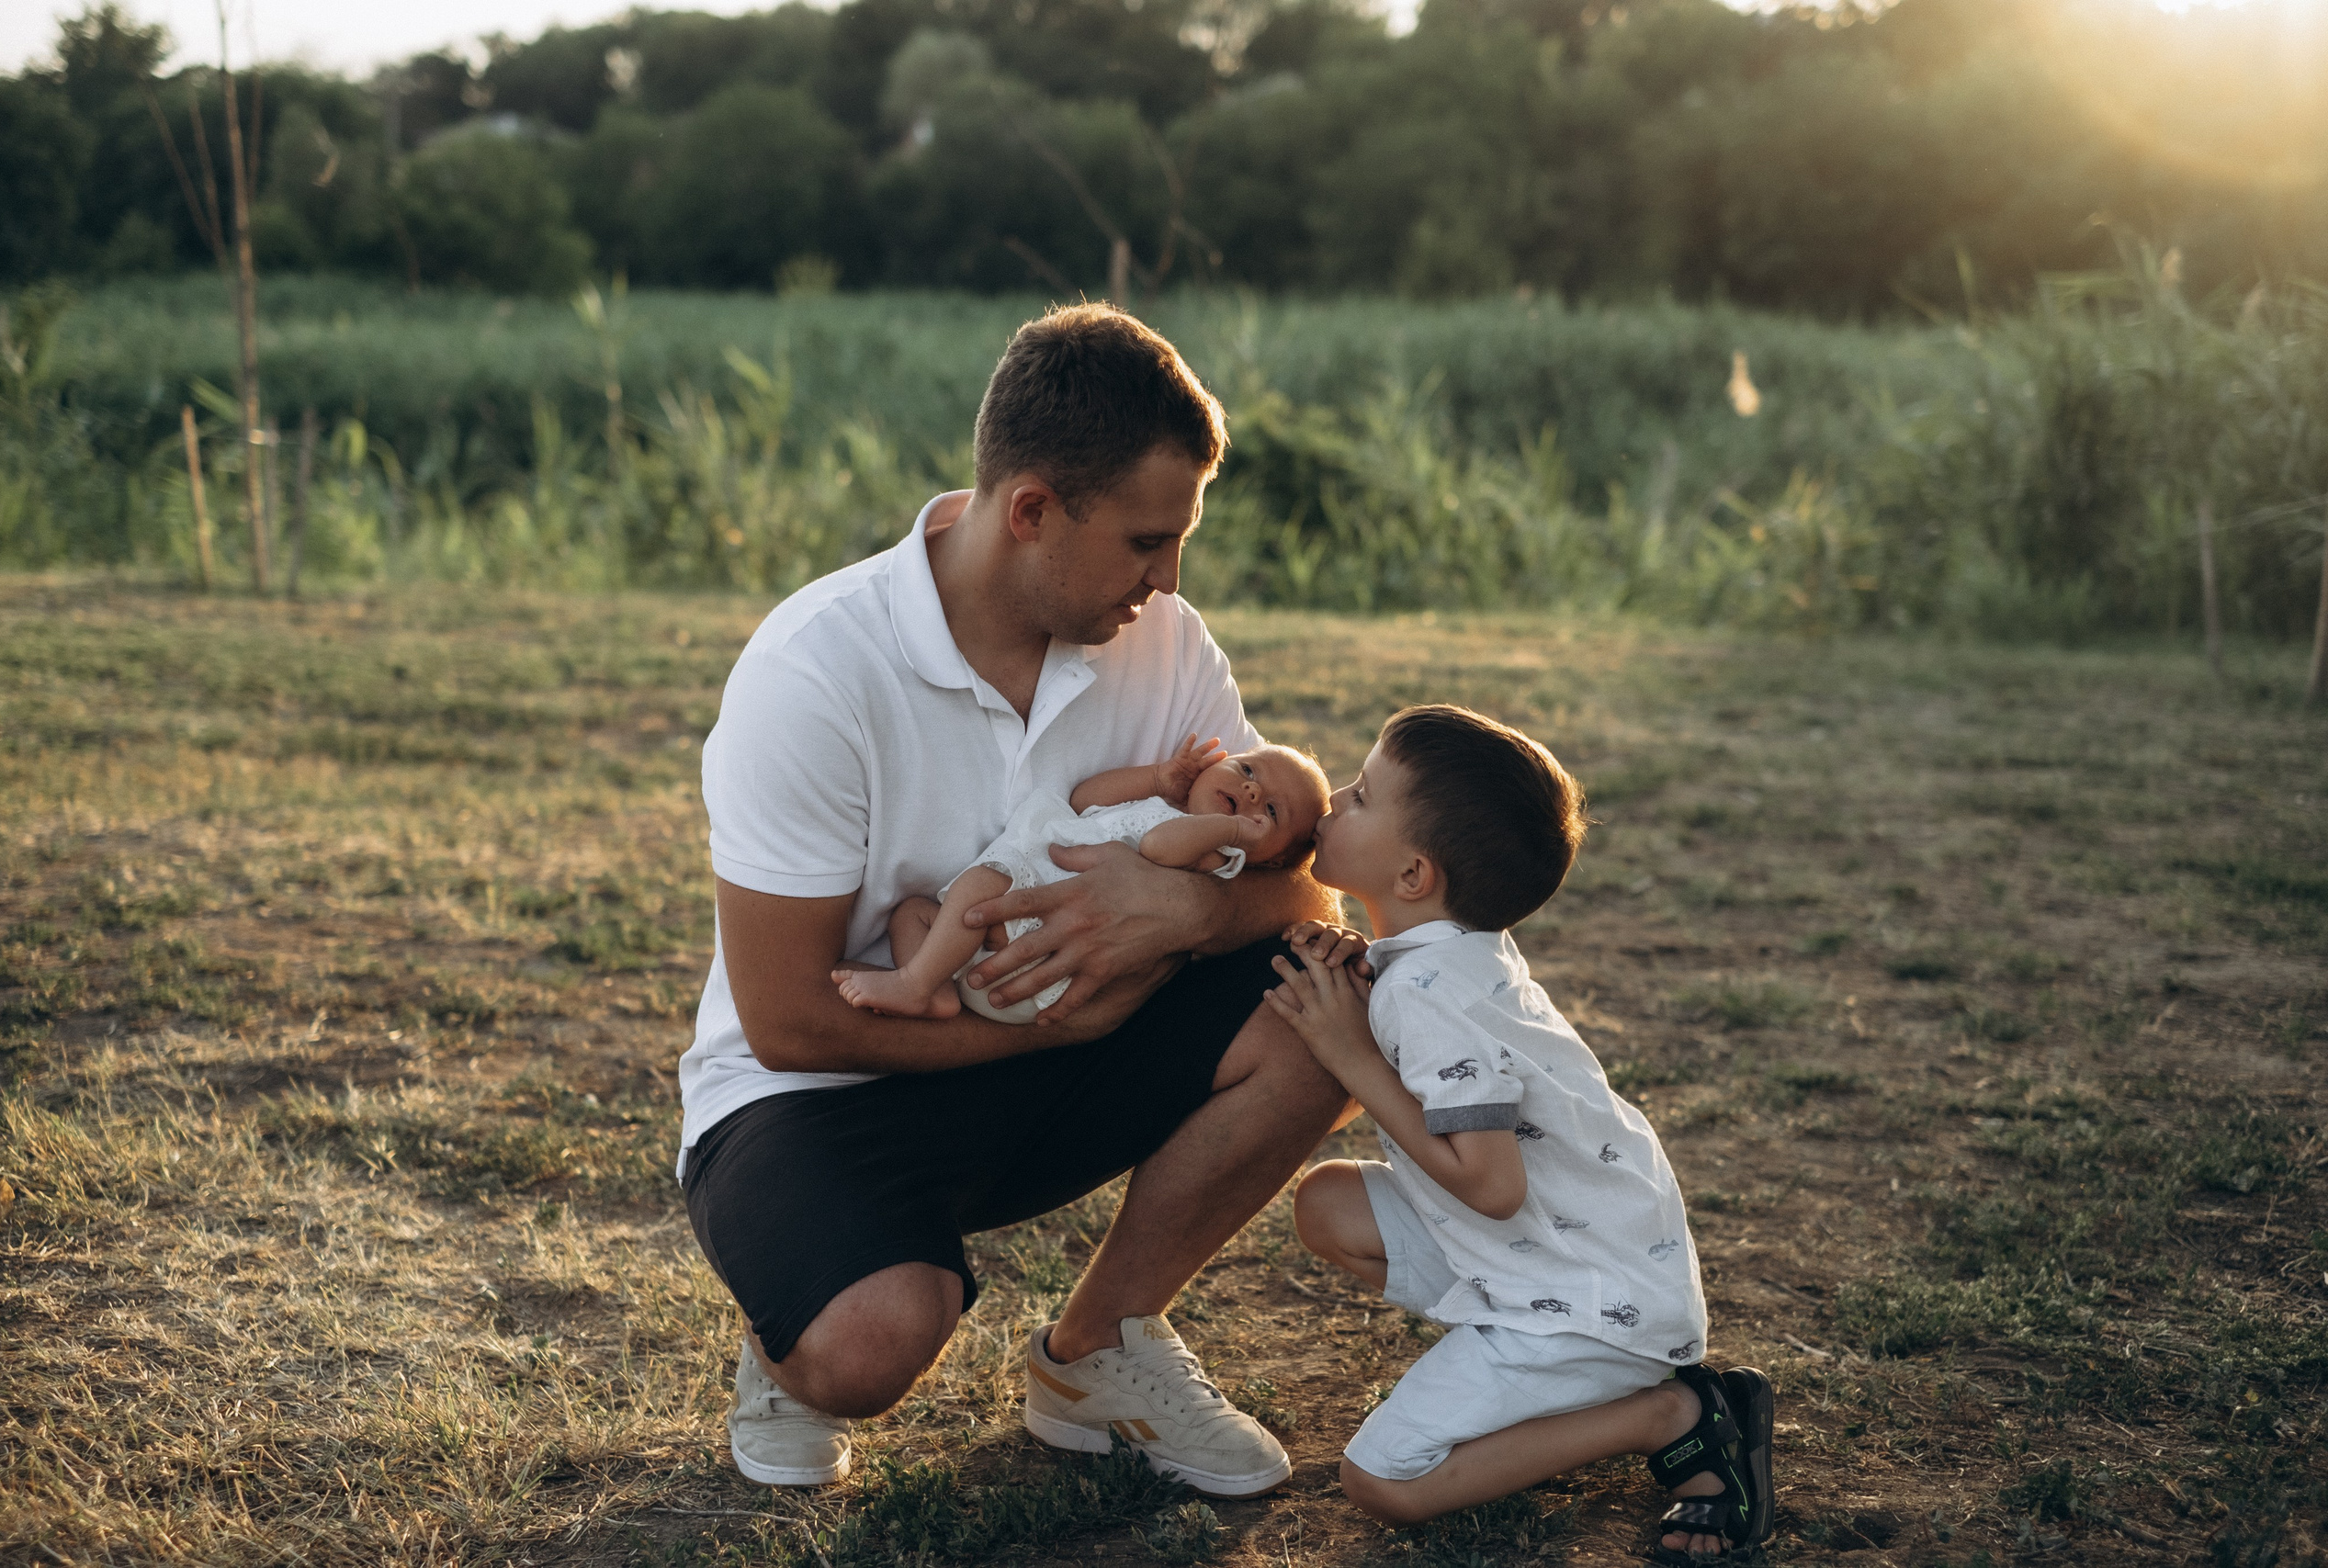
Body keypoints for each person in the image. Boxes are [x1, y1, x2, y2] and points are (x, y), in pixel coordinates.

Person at [677, 303, 1351, 1498]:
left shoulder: (1169, 647)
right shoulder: (815, 670)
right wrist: (1059, 1022)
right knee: (867, 1343)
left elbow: (1311, 888)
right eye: (1148, 540)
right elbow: (786, 1018)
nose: (1171, 578)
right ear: (1032, 509)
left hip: (1046, 1051)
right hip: (817, 1092)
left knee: (1333, 990)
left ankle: (1100, 1348)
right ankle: (791, 1342)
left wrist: (1191, 913)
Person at [1264, 705, 1775, 1560]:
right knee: (1328, 1205)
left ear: (1416, 872)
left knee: (1383, 1481)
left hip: (1585, 1306)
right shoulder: (1445, 951)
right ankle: (1546, 1383)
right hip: (1574, 1256)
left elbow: (1492, 1185)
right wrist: (1359, 980)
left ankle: (1668, 1412)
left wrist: (1351, 1054)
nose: (1333, 802)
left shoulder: (1427, 994)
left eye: (1358, 795)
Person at [833, 735, 1330, 1021]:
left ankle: (915, 982)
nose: (1248, 790)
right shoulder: (1165, 804)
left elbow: (1158, 847)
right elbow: (1084, 798)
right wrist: (1158, 779)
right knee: (913, 914)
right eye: (1248, 768)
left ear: (1269, 861)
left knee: (979, 888)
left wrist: (1230, 827)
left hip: (1045, 952)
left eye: (1268, 810)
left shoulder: (1221, 854)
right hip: (1010, 939)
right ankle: (938, 991)